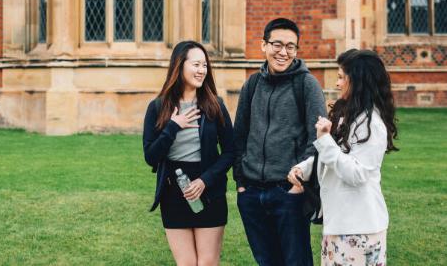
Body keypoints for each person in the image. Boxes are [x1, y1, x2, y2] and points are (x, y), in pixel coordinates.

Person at [288, 49, 398, 266]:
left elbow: (356, 173)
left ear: (357, 81)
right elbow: (334, 156)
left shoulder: (372, 124)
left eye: (341, 77)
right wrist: (305, 167)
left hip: (359, 227)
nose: (337, 84)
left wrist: (325, 139)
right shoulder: (349, 115)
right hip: (338, 223)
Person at [233, 18, 327, 266]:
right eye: (277, 44)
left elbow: (318, 139)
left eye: (291, 46)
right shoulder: (252, 84)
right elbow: (239, 136)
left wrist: (299, 182)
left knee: (296, 262)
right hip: (251, 193)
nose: (283, 52)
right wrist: (241, 183)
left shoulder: (307, 85)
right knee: (267, 262)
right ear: (263, 45)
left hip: (288, 193)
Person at [143, 40, 234, 266]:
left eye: (204, 65)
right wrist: (173, 126)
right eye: (196, 64)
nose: (202, 70)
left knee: (206, 263)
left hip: (209, 191)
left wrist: (205, 180)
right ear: (179, 65)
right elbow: (150, 156)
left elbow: (231, 151)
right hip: (174, 191)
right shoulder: (158, 107)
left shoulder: (215, 105)